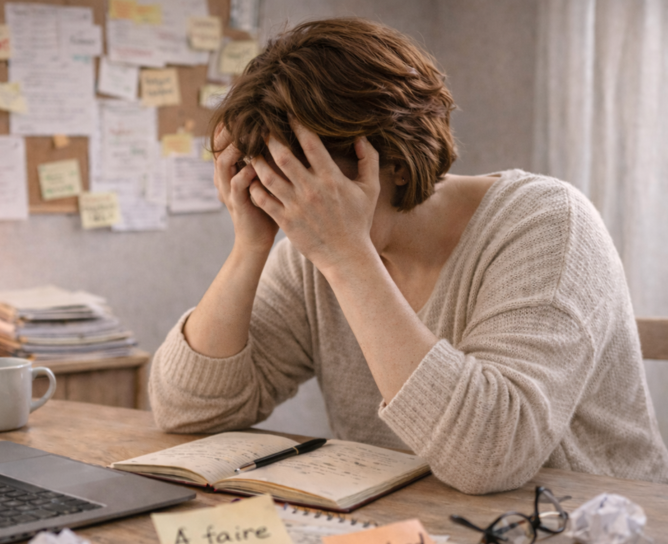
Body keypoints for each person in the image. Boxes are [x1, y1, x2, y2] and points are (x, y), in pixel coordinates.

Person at [148, 18, 668, 494]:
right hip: (416, 529)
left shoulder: (548, 224)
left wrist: (348, 258)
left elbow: (491, 455)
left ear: (391, 162)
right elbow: (187, 410)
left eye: (307, 187)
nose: (293, 214)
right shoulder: (311, 256)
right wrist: (250, 246)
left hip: (587, 535)